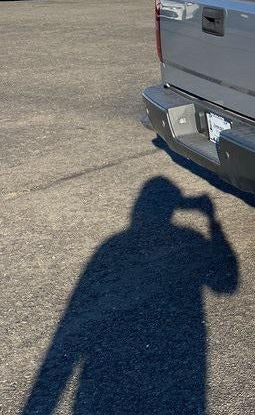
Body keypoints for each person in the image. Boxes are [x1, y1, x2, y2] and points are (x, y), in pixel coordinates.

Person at [23, 177, 238, 414]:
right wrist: (212, 221)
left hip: (106, 378)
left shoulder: (111, 245)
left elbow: (72, 318)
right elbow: (226, 284)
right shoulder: (189, 237)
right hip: (177, 366)